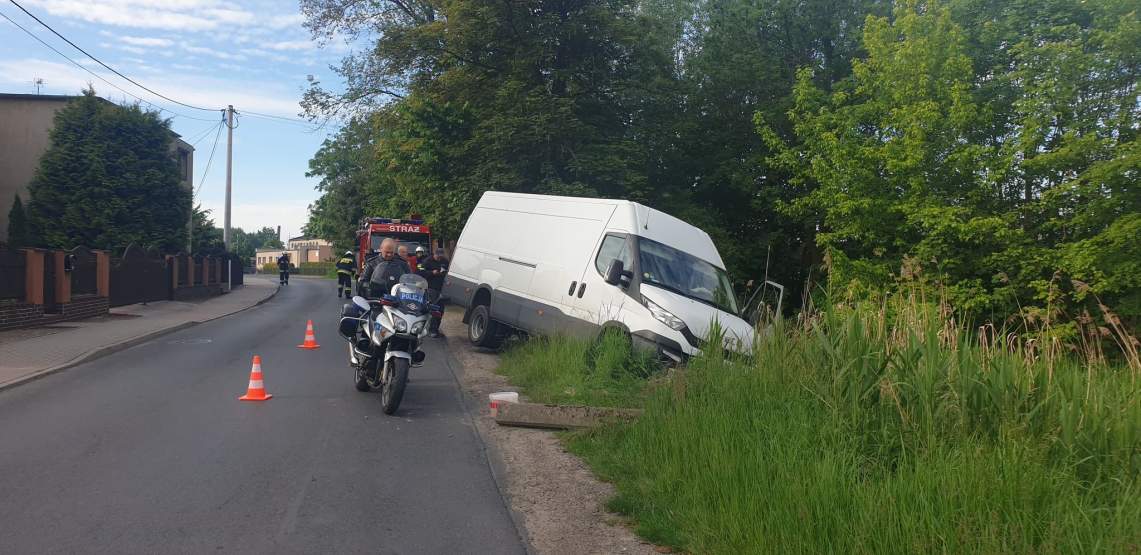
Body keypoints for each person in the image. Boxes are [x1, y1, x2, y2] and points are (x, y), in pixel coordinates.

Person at [419, 247, 449, 337]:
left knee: (440, 310)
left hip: (442, 289)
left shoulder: (445, 261)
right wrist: (432, 272)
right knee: (433, 309)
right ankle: (430, 330)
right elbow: (420, 272)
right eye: (438, 256)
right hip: (431, 288)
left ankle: (435, 329)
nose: (439, 258)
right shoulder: (426, 261)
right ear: (434, 254)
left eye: (441, 256)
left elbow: (448, 271)